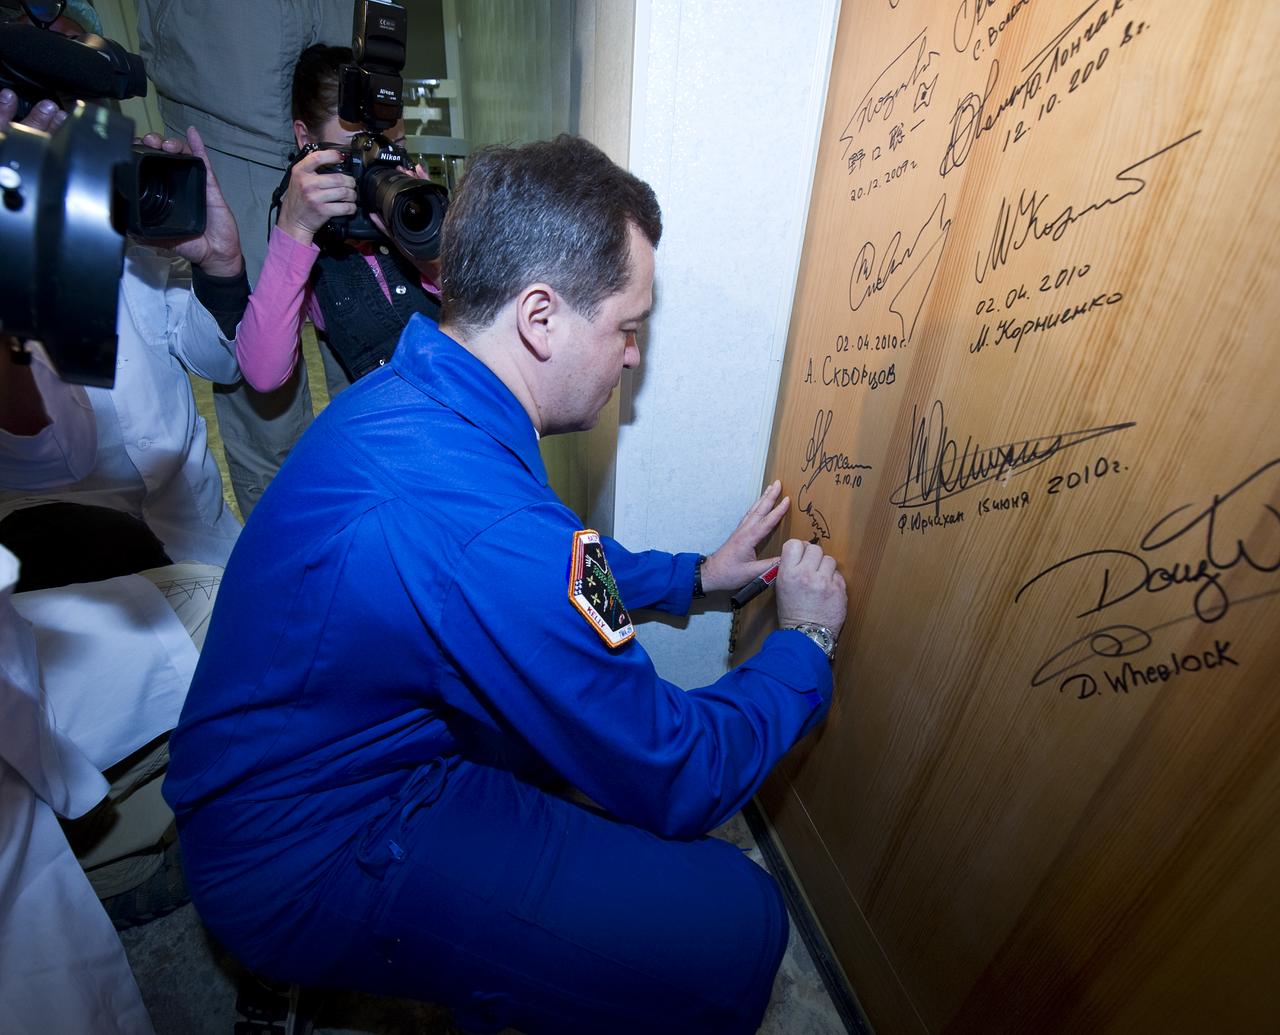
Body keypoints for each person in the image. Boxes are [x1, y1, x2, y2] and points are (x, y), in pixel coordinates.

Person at [164, 135, 848, 1035]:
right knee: (741, 922)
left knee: (560, 772)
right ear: (541, 316)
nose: (633, 358)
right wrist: (803, 644)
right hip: (300, 857)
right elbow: (680, 768)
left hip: (290, 771)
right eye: (627, 328)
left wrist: (693, 577)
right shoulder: (487, 532)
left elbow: (555, 565)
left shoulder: (418, 387)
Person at [0, 87, 247, 587]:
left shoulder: (129, 239)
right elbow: (44, 453)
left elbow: (220, 362)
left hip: (202, 539)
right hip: (73, 575)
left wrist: (221, 266)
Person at [137, 0, 353, 518]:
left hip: (347, 102)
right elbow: (259, 371)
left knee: (370, 376)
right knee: (266, 416)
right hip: (225, 112)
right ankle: (285, 567)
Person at [235, 44, 442, 396]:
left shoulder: (421, 211)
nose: (384, 169)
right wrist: (295, 229)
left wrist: (431, 246)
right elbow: (263, 373)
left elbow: (498, 326)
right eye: (362, 150)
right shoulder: (315, 251)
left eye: (395, 147)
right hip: (391, 439)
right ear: (306, 140)